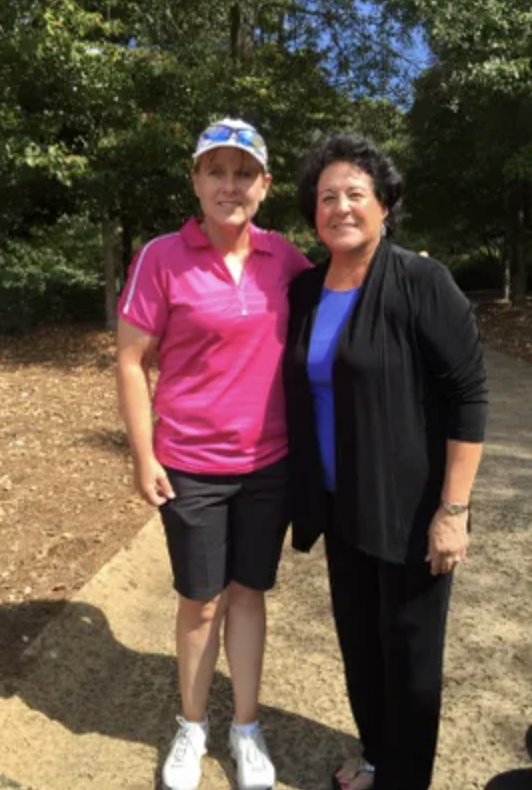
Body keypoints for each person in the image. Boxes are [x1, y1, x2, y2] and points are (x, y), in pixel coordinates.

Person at [284, 133, 488, 790]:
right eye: (326, 197)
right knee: (360, 645)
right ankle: (376, 756)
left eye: (355, 194)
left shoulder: (422, 281)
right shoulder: (306, 291)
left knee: (410, 653)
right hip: (343, 507)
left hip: (408, 510)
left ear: (384, 204)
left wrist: (452, 511)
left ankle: (406, 780)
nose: (340, 207)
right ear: (312, 212)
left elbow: (468, 394)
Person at [117, 118, 310, 790]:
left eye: (243, 173)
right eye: (216, 171)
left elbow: (347, 302)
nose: (229, 185)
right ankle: (193, 726)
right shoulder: (160, 257)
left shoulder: (287, 261)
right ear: (196, 180)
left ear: (264, 185)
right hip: (191, 464)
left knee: (248, 593)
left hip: (269, 465)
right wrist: (144, 455)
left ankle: (246, 726)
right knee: (201, 602)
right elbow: (131, 358)